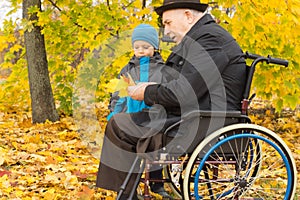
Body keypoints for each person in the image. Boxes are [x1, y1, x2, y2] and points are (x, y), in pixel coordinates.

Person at [96, 0, 247, 199]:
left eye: (167, 23)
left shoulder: (210, 41)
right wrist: (148, 88)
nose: (165, 31)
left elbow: (185, 91)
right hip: (190, 115)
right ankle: (127, 192)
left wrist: (148, 92)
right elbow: (179, 84)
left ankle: (127, 194)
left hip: (200, 122)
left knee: (121, 125)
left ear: (187, 16)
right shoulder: (199, 40)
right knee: (121, 121)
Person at [106, 23, 171, 197]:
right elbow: (118, 95)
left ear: (155, 47)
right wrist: (114, 111)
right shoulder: (127, 70)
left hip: (153, 115)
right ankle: (130, 185)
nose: (141, 51)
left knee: (155, 149)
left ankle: (157, 184)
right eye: (137, 47)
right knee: (128, 145)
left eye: (145, 47)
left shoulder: (163, 69)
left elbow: (167, 93)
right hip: (131, 114)